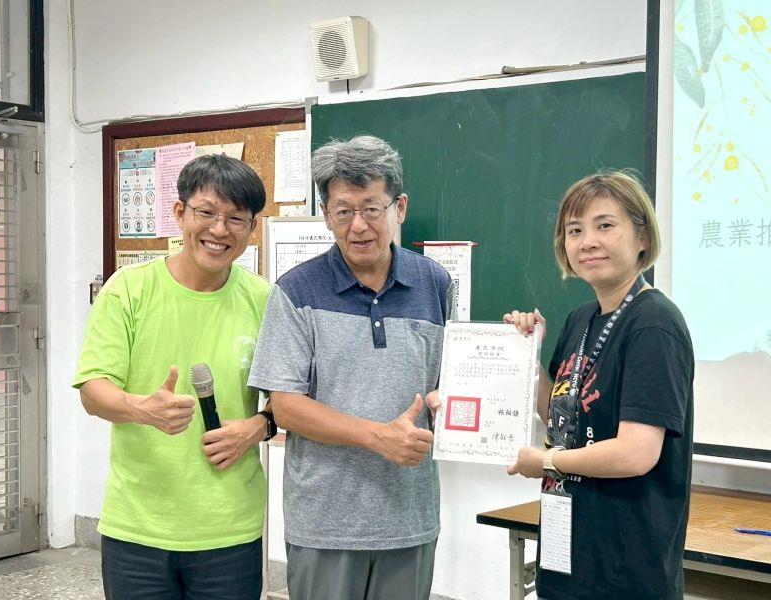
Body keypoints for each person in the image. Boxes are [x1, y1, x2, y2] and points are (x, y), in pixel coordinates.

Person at [248, 135, 455, 600]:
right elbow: (285, 406)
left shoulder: (435, 283)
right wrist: (378, 437)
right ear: (326, 214)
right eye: (343, 211)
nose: (358, 226)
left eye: (372, 209)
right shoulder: (296, 290)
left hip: (410, 518)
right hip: (325, 523)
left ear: (399, 207)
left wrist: (512, 345)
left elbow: (450, 385)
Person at [73, 155, 277, 599]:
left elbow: (287, 400)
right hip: (138, 527)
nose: (219, 230)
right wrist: (140, 408)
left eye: (236, 219)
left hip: (230, 528)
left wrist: (258, 427)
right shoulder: (128, 289)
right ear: (180, 212)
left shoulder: (264, 299)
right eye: (207, 212)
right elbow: (92, 390)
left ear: (251, 228)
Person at [505, 170, 694, 600]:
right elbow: (560, 418)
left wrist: (548, 462)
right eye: (575, 231)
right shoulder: (580, 319)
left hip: (625, 569)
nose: (587, 241)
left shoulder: (654, 323)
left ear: (642, 237)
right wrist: (526, 355)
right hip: (568, 553)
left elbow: (636, 453)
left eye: (605, 225)